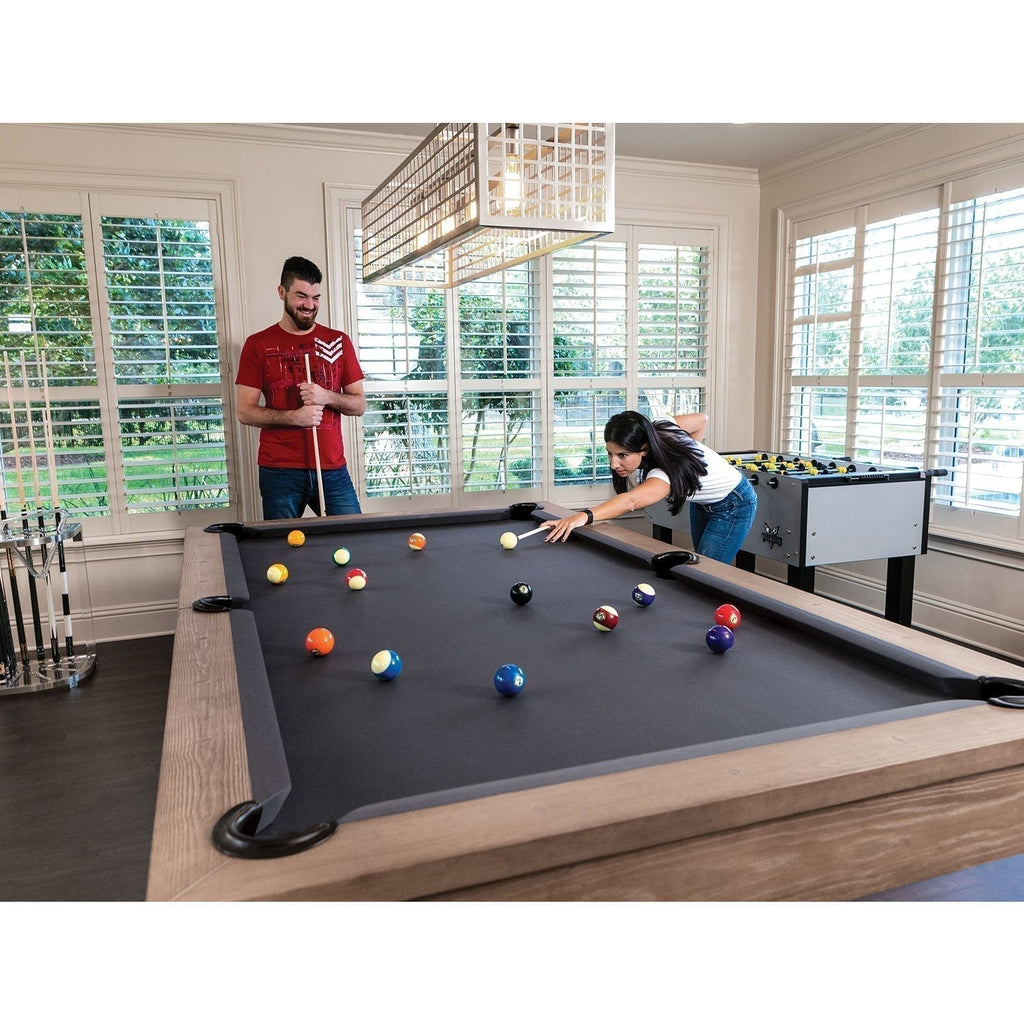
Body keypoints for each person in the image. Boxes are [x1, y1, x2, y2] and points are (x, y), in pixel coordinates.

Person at [236, 256, 366, 519]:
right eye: (301, 296)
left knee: (353, 535)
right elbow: (244, 411)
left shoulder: (338, 341)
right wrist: (294, 417)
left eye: (316, 298)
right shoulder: (257, 344)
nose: (309, 305)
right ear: (281, 292)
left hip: (331, 468)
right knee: (284, 543)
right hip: (279, 471)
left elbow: (359, 405)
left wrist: (326, 396)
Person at [542, 410, 757, 564]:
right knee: (701, 564)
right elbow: (701, 419)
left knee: (709, 573)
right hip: (704, 503)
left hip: (734, 503)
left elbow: (631, 500)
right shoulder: (657, 427)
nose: (614, 464)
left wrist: (583, 516)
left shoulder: (664, 474)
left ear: (644, 449)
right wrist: (690, 458)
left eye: (623, 455)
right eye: (610, 453)